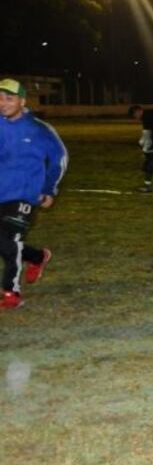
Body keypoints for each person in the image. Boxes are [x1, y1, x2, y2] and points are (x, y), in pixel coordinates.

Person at [0, 78, 67, 309]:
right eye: (0, 98)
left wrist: (50, 189)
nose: (3, 103)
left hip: (25, 196)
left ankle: (11, 293)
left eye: (9, 98)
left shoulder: (39, 129)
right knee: (5, 243)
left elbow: (60, 158)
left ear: (22, 101)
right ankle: (38, 257)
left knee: (10, 242)